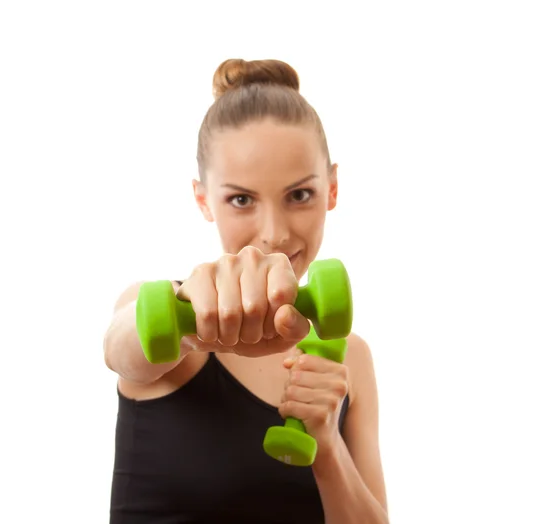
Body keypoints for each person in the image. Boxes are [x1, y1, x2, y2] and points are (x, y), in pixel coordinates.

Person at [103, 58, 389, 524]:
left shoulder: (351, 357)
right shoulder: (171, 312)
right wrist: (193, 327)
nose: (273, 233)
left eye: (299, 195)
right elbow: (119, 348)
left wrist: (327, 447)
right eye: (241, 199)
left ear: (332, 189)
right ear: (204, 200)